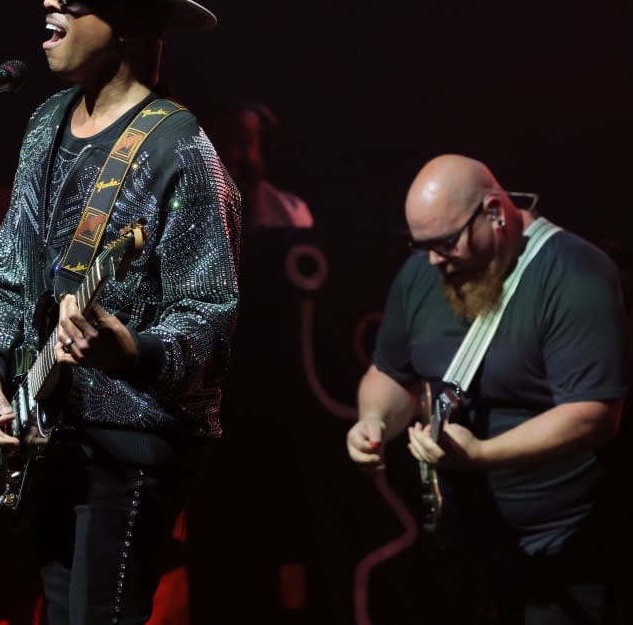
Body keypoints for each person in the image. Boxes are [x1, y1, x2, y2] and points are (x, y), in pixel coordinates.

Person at [0, 0, 242, 625]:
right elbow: (9, 262)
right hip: (48, 424)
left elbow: (211, 323)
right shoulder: (45, 122)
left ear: (127, 18)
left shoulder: (184, 152)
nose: (48, 4)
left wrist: (129, 346)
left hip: (132, 447)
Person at [346, 154, 630, 624]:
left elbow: (595, 414)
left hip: (561, 548)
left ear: (496, 213)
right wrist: (373, 420)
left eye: (445, 243)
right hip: (463, 544)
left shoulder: (578, 276)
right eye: (422, 246)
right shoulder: (424, 271)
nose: (434, 259)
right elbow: (390, 373)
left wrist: (484, 454)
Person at [208, 102, 312, 230]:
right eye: (218, 143)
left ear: (264, 149)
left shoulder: (292, 215)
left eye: (242, 141)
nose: (231, 153)